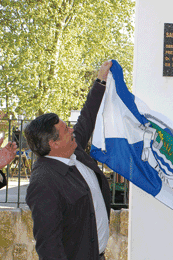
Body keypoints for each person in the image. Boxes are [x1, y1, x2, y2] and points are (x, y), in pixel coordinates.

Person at [25, 61, 112, 260]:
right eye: (65, 129)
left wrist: (100, 81)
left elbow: (87, 118)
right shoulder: (44, 183)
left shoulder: (73, 150)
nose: (72, 130)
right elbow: (49, 247)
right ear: (53, 143)